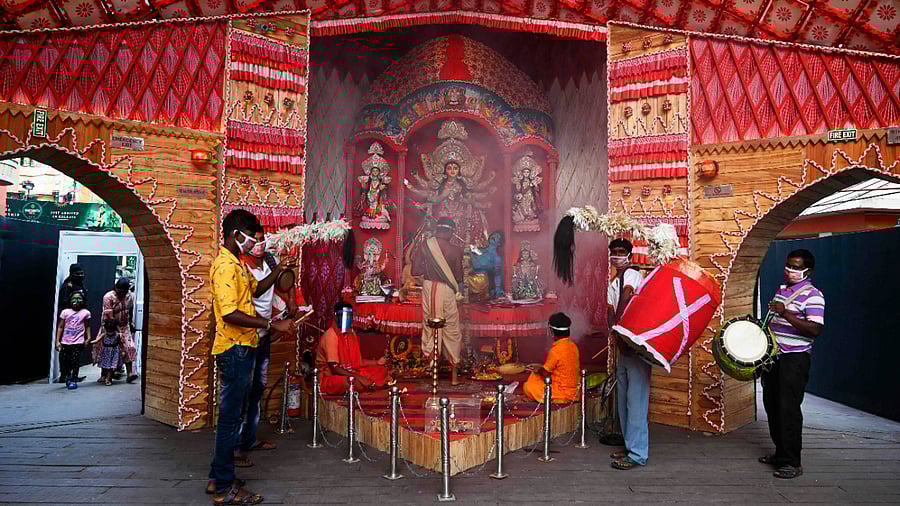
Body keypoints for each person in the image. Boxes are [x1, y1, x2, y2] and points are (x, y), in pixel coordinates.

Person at [207, 209, 294, 505]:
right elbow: (231, 313)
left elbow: (256, 288)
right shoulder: (225, 267)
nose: (254, 243)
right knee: (230, 419)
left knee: (233, 415)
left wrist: (278, 270)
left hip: (244, 346)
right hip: (234, 349)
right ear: (237, 235)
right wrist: (271, 324)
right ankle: (223, 489)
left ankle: (216, 478)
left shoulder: (237, 264)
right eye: (251, 237)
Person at [235, 224, 299, 466]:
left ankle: (249, 439)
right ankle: (236, 446)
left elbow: (286, 282)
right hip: (245, 335)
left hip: (264, 334)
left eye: (263, 239)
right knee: (242, 390)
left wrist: (291, 300)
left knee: (258, 387)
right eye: (256, 239)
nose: (260, 243)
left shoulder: (271, 260)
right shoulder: (241, 264)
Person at [760, 249, 825, 479]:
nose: (791, 270)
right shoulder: (782, 290)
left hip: (794, 359)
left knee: (788, 409)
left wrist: (786, 313)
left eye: (797, 267)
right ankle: (780, 453)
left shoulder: (813, 295)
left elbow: (815, 329)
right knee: (772, 406)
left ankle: (792, 462)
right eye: (789, 265)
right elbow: (774, 319)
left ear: (808, 270)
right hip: (774, 357)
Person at [606, 238, 651, 471]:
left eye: (621, 252)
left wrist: (620, 329)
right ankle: (629, 444)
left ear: (629, 255)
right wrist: (613, 330)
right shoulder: (613, 281)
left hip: (634, 345)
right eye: (613, 252)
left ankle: (638, 453)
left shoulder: (632, 275)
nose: (616, 256)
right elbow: (610, 308)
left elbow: (627, 295)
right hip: (622, 347)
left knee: (636, 401)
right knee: (624, 401)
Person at [412, 217, 464, 386]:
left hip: (428, 287)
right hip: (447, 291)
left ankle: (432, 371)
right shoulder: (456, 250)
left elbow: (414, 270)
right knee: (451, 329)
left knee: (430, 326)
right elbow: (458, 277)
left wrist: (429, 269)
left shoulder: (425, 245)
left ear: (437, 230)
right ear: (450, 231)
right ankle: (454, 377)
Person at [316, 302, 390, 394]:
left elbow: (356, 362)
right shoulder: (331, 335)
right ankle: (366, 385)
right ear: (336, 316)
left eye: (349, 316)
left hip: (351, 372)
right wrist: (359, 378)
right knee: (352, 383)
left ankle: (367, 385)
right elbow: (334, 368)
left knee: (381, 371)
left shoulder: (351, 333)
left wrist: (377, 362)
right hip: (331, 377)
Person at [522, 312, 579, 402]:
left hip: (561, 392)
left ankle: (553, 398)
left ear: (552, 332)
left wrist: (538, 369)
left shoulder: (556, 350)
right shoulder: (573, 346)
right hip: (574, 392)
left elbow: (545, 373)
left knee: (528, 386)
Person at [99, 278, 138, 384]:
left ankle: (130, 373)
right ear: (116, 288)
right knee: (108, 349)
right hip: (110, 327)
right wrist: (117, 333)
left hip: (124, 326)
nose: (122, 293)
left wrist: (130, 323)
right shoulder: (108, 297)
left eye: (124, 291)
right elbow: (109, 316)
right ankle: (104, 374)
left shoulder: (130, 296)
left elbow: (129, 310)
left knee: (129, 347)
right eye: (120, 291)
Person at [57, 264, 87, 383]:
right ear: (71, 274)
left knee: (76, 352)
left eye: (81, 273)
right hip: (68, 322)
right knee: (65, 351)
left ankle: (73, 375)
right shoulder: (67, 286)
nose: (80, 276)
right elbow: (64, 304)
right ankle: (64, 374)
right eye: (77, 274)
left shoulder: (80, 285)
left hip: (79, 322)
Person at [56, 291, 90, 389]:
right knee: (64, 361)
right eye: (74, 299)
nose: (76, 301)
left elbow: (87, 326)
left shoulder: (86, 313)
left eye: (79, 299)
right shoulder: (65, 312)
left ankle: (73, 380)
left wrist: (88, 338)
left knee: (75, 362)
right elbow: (60, 327)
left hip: (78, 342)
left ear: (83, 301)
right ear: (70, 300)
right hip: (65, 341)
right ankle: (67, 376)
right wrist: (57, 341)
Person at [91, 319, 120, 386]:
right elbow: (96, 341)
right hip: (105, 353)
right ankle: (105, 376)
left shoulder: (118, 335)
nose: (109, 332)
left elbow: (121, 343)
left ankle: (108, 379)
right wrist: (89, 342)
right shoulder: (104, 335)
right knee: (105, 366)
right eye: (108, 330)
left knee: (110, 367)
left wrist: (123, 351)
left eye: (111, 330)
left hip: (114, 353)